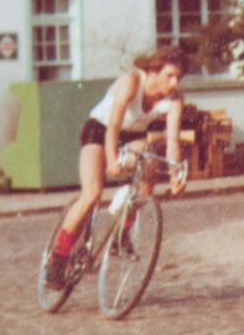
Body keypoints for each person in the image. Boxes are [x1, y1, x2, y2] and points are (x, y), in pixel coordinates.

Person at [44, 45, 188, 289]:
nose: (174, 83)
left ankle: (122, 232)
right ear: (153, 72)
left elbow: (173, 141)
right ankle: (57, 258)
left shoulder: (175, 100)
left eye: (178, 77)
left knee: (150, 163)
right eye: (169, 76)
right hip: (100, 132)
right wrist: (111, 160)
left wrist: (176, 174)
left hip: (131, 136)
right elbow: (112, 125)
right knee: (92, 196)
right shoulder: (131, 82)